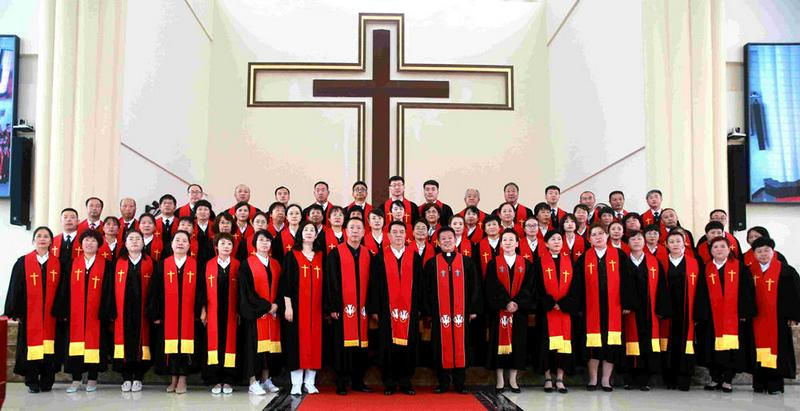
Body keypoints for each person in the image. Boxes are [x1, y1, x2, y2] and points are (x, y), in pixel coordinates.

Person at [571, 223, 634, 391]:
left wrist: (627, 303)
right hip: (591, 308)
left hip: (613, 306)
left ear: (607, 236)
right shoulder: (585, 258)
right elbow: (577, 284)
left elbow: (627, 281)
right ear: (589, 238)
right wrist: (578, 306)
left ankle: (606, 379)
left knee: (610, 343)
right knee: (593, 344)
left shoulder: (619, 255)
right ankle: (592, 379)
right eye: (594, 234)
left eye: (601, 233)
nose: (598, 237)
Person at [4, 227, 63, 393]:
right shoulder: (23, 262)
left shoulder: (57, 263)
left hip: (51, 315)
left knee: (50, 347)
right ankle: (31, 380)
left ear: (51, 241)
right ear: (34, 240)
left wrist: (61, 310)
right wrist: (15, 311)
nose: (42, 239)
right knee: (31, 348)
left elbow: (62, 290)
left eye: (46, 236)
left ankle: (47, 379)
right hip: (30, 315)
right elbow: (15, 288)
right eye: (39, 236)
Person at [424, 227, 482, 394]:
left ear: (456, 240)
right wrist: (429, 312)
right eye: (443, 239)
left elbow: (475, 287)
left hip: (461, 315)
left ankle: (460, 383)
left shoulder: (467, 262)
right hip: (440, 315)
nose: (447, 241)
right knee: (440, 346)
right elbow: (426, 290)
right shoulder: (432, 264)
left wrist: (472, 309)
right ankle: (442, 382)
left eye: (450, 238)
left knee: (461, 345)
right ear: (438, 242)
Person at [369, 221, 424, 395]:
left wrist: (420, 308)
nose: (398, 235)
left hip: (410, 311)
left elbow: (420, 285)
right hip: (387, 311)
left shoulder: (414, 256)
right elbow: (374, 285)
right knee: (388, 346)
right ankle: (390, 382)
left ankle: (406, 381)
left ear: (406, 236)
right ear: (389, 235)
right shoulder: (380, 257)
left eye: (402, 232)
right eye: (395, 232)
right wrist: (375, 309)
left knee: (408, 346)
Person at [695, 236, 756, 393]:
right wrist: (701, 315)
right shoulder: (706, 269)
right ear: (711, 250)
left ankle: (728, 380)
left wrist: (744, 312)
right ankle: (715, 378)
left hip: (733, 319)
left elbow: (747, 292)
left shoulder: (739, 267)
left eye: (723, 246)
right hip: (711, 319)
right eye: (715, 247)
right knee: (711, 348)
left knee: (731, 349)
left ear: (729, 249)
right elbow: (700, 294)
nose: (719, 249)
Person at [146, 231, 204, 394]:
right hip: (168, 316)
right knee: (170, 347)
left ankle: (183, 378)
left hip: (189, 316)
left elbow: (202, 291)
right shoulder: (163, 265)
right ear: (171, 244)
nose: (180, 243)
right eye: (177, 240)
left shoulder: (196, 265)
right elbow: (154, 291)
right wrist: (155, 314)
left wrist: (201, 310)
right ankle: (173, 378)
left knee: (186, 346)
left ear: (189, 245)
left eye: (184, 240)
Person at [54, 229, 111, 393]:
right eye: (86, 240)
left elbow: (108, 290)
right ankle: (76, 379)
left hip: (96, 315)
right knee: (75, 346)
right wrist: (64, 311)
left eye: (93, 241)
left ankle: (92, 379)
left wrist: (105, 311)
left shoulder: (106, 265)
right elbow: (64, 288)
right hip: (76, 314)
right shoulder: (72, 264)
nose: (90, 243)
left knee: (95, 345)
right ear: (81, 243)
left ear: (99, 244)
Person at [100, 230, 154, 393]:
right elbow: (109, 289)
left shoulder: (150, 263)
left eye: (138, 239)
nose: (135, 241)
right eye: (131, 239)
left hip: (142, 311)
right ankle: (126, 377)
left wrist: (152, 310)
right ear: (125, 243)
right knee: (124, 343)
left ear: (143, 243)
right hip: (122, 312)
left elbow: (155, 290)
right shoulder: (117, 263)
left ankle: (138, 376)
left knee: (141, 342)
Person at [747, 237, 800, 394]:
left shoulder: (786, 271)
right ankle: (759, 383)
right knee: (757, 349)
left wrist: (793, 315)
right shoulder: (750, 271)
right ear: (754, 254)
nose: (763, 254)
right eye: (759, 251)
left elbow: (795, 294)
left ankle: (775, 384)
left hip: (778, 319)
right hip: (756, 318)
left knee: (778, 350)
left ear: (773, 251)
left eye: (766, 250)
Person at [484, 229, 535, 393]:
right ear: (501, 243)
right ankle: (499, 380)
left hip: (518, 313)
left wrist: (517, 303)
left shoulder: (526, 264)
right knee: (498, 345)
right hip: (499, 312)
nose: (507, 242)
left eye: (511, 240)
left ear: (517, 243)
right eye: (504, 240)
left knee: (518, 345)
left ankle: (513, 380)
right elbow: (491, 287)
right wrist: (505, 303)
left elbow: (529, 288)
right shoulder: (494, 263)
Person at [326, 218, 372, 395]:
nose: (355, 231)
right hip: (343, 309)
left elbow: (372, 283)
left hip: (362, 310)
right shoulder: (336, 253)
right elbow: (332, 282)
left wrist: (371, 306)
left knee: (361, 347)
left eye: (358, 228)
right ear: (345, 231)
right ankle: (341, 382)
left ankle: (358, 381)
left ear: (363, 232)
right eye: (351, 227)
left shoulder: (367, 254)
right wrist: (334, 307)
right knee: (341, 346)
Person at [621, 230, 670, 391]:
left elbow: (662, 287)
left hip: (649, 310)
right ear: (627, 243)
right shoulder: (623, 262)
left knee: (646, 342)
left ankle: (644, 379)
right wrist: (625, 305)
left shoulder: (654, 262)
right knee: (628, 341)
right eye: (632, 239)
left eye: (639, 238)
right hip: (629, 312)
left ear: (644, 242)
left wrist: (661, 309)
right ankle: (628, 378)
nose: (636, 241)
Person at [236, 230, 283, 395]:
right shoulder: (247, 264)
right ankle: (253, 381)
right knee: (253, 349)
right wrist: (265, 306)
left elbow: (281, 288)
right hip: (256, 314)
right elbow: (246, 291)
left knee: (270, 350)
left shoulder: (276, 264)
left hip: (273, 313)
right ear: (254, 244)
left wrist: (276, 305)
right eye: (261, 240)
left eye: (268, 240)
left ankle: (266, 379)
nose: (265, 243)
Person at [280, 221, 325, 395]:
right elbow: (286, 284)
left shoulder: (321, 256)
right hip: (297, 309)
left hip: (316, 309)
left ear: (316, 235)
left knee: (315, 343)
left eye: (312, 230)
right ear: (300, 233)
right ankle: (296, 384)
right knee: (295, 345)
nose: (308, 233)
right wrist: (288, 307)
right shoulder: (292, 256)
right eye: (305, 230)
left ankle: (310, 382)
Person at [534, 230, 578, 394]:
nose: (557, 242)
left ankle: (560, 378)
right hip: (547, 312)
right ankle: (547, 378)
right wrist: (550, 303)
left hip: (565, 312)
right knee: (546, 345)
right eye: (553, 239)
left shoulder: (571, 263)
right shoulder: (539, 263)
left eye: (559, 239)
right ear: (546, 243)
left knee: (564, 346)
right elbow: (536, 287)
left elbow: (576, 287)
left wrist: (564, 304)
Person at [200, 233, 241, 395]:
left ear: (233, 247)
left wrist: (239, 311)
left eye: (229, 244)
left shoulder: (238, 265)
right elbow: (202, 290)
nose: (226, 246)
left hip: (232, 313)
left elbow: (241, 292)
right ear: (216, 246)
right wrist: (203, 311)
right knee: (214, 343)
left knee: (230, 343)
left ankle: (229, 380)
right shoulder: (208, 265)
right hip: (212, 312)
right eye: (222, 243)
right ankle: (215, 379)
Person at [661, 229, 701, 391]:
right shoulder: (661, 263)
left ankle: (684, 378)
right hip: (667, 312)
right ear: (666, 245)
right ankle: (669, 378)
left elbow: (700, 289)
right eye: (672, 242)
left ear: (684, 243)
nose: (675, 244)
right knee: (669, 343)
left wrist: (698, 312)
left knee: (685, 343)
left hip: (687, 311)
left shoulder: (694, 262)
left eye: (678, 241)